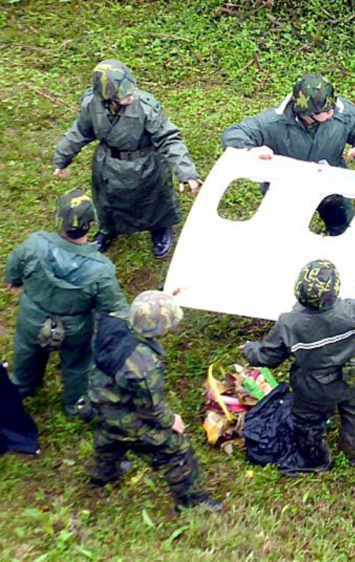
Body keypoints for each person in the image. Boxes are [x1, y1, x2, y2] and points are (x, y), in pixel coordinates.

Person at [222, 73, 355, 298]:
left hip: (331, 183)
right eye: (325, 112)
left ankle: (351, 270)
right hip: (287, 189)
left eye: (332, 107)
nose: (331, 113)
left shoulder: (340, 112)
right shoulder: (273, 123)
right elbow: (234, 133)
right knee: (284, 235)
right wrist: (251, 150)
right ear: (306, 113)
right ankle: (287, 275)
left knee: (343, 227)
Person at [242, 260, 355, 472]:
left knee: (306, 420)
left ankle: (315, 459)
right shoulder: (354, 309)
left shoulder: (288, 323)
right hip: (352, 377)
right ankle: (354, 455)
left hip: (312, 387)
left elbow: (268, 356)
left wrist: (249, 349)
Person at [52, 60, 203, 258]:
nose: (130, 98)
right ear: (106, 95)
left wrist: (186, 172)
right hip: (109, 165)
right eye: (122, 96)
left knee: (154, 201)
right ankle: (108, 229)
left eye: (130, 92)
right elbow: (80, 132)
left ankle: (160, 230)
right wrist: (61, 158)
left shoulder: (145, 105)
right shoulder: (92, 104)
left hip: (146, 164)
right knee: (108, 202)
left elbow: (168, 138)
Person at [89, 291, 220, 511]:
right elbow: (150, 409)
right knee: (178, 449)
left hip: (99, 399)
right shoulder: (143, 364)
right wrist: (171, 421)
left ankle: (103, 474)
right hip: (123, 414)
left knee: (108, 436)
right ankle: (193, 502)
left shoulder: (114, 319)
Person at [5, 189, 127, 418]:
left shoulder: (34, 244)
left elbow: (14, 264)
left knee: (26, 351)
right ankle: (75, 405)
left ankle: (22, 386)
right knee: (78, 364)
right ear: (90, 224)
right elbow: (114, 307)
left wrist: (14, 281)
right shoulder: (100, 269)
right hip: (74, 329)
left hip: (32, 318)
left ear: (59, 218)